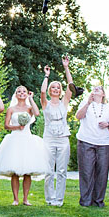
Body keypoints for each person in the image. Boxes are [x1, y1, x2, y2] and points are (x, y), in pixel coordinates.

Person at [0, 86, 47, 205]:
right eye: (19, 92)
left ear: (27, 94)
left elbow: (37, 113)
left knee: (28, 171)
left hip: (27, 139)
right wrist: (17, 127)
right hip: (15, 139)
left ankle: (25, 199)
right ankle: (15, 199)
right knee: (15, 171)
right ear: (16, 94)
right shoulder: (11, 109)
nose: (21, 93)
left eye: (24, 92)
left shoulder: (29, 108)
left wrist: (31, 98)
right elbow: (6, 125)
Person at [75, 85, 109, 208]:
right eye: (94, 88)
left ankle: (98, 201)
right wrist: (88, 103)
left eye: (99, 88)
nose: (96, 89)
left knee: (102, 173)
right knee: (86, 172)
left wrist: (108, 124)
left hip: (104, 143)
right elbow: (78, 116)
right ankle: (85, 201)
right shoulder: (85, 102)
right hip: (86, 141)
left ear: (103, 94)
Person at [40, 57, 74, 206]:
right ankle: (50, 198)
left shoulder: (64, 102)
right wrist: (46, 75)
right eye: (53, 87)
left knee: (61, 171)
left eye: (57, 88)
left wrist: (66, 67)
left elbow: (71, 86)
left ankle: (59, 199)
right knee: (48, 171)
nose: (55, 89)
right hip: (49, 138)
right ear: (50, 90)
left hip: (63, 138)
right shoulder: (45, 103)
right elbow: (41, 91)